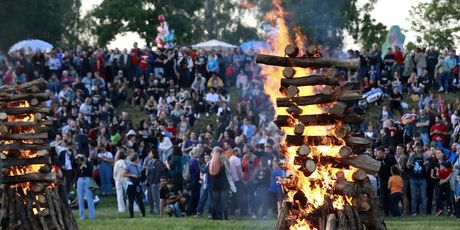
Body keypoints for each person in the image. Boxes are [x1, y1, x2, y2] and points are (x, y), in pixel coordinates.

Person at [209, 147, 236, 220]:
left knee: (215, 201)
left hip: (215, 183)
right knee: (224, 201)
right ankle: (226, 217)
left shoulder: (212, 161)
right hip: (224, 183)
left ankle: (214, 217)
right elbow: (229, 169)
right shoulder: (224, 160)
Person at [406, 142, 429, 216]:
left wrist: (426, 164)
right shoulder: (412, 155)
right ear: (414, 148)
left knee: (423, 197)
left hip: (422, 179)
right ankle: (414, 212)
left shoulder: (424, 156)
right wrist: (410, 159)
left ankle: (424, 213)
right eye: (416, 147)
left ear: (421, 148)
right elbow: (408, 167)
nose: (418, 149)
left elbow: (427, 169)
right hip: (413, 179)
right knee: (414, 197)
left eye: (419, 147)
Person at [144, 148, 167, 215]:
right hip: (149, 183)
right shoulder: (150, 162)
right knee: (149, 197)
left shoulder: (158, 163)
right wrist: (147, 180)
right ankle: (151, 209)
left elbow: (158, 174)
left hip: (155, 183)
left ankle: (158, 210)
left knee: (156, 198)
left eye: (150, 153)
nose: (149, 154)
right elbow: (149, 172)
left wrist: (155, 182)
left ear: (154, 154)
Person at [376, 147, 397, 216]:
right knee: (383, 196)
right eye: (377, 153)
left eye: (379, 153)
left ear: (383, 152)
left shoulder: (391, 158)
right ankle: (385, 213)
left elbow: (395, 167)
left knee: (391, 197)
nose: (377, 155)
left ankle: (394, 213)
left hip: (391, 180)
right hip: (382, 180)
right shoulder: (377, 160)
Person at [123, 153, 146, 218]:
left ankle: (143, 214)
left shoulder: (139, 166)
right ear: (135, 159)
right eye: (138, 158)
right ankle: (131, 215)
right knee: (131, 201)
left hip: (138, 185)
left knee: (140, 200)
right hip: (131, 185)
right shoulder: (128, 166)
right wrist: (131, 175)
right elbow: (123, 174)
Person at [75, 154, 96, 220]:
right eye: (81, 158)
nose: (82, 160)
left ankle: (92, 216)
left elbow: (90, 172)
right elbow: (77, 172)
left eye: (82, 158)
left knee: (89, 197)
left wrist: (85, 166)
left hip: (87, 179)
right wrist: (77, 157)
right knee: (80, 198)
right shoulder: (78, 164)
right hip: (80, 180)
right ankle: (81, 216)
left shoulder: (89, 164)